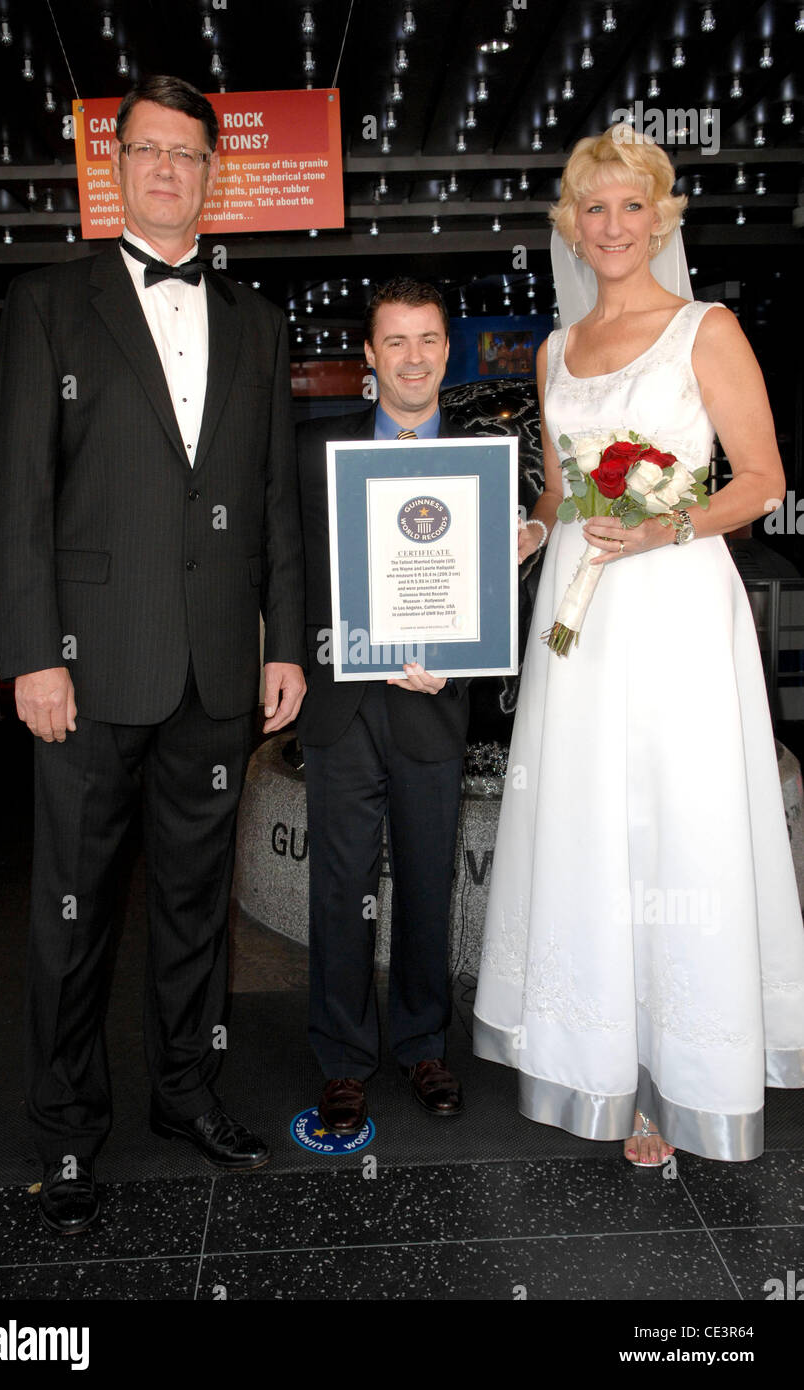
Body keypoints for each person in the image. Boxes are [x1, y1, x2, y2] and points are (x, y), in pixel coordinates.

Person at [0, 75, 305, 1232]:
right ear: (116, 164)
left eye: (188, 155)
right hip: (84, 665)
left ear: (212, 174)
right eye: (149, 152)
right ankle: (67, 1129)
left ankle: (185, 1089)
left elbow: (271, 501)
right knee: (72, 910)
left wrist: (284, 642)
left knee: (190, 907)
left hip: (218, 671)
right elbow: (18, 495)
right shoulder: (47, 304)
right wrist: (31, 652)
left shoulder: (259, 325)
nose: (169, 170)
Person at [474, 125, 804, 1165]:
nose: (609, 225)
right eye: (590, 208)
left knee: (680, 823)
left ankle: (682, 1069)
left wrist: (667, 523)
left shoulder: (703, 329)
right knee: (587, 824)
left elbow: (760, 480)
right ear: (567, 226)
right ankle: (598, 1055)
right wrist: (525, 534)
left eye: (629, 206)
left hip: (673, 606)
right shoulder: (551, 350)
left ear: (657, 220)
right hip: (579, 617)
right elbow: (561, 493)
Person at [297, 278, 470, 1134]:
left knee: (429, 883)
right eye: (394, 342)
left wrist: (467, 654)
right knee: (339, 888)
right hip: (338, 703)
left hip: (433, 706)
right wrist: (283, 661)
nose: (412, 358)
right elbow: (288, 569)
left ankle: (423, 1043)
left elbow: (498, 591)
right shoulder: (315, 449)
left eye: (428, 339)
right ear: (368, 355)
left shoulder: (486, 457)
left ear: (448, 348)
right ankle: (341, 1057)